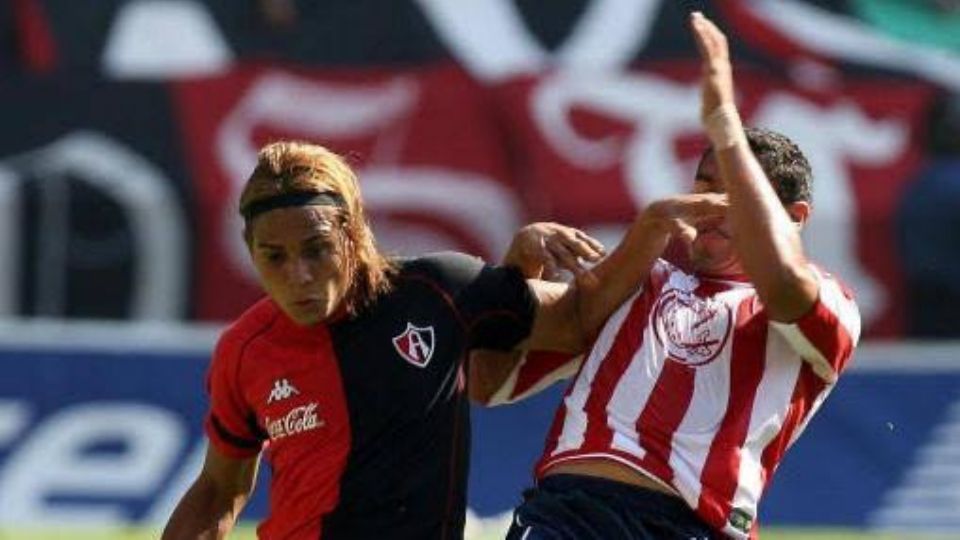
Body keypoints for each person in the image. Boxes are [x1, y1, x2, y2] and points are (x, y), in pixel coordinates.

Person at [161, 140, 726, 539]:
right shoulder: (245, 348)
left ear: (353, 234)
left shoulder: (440, 290)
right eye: (274, 257)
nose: (299, 276)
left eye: (316, 249)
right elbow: (217, 490)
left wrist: (651, 227)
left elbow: (578, 319)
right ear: (249, 250)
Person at [498, 12, 861, 540]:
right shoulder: (635, 280)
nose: (712, 204)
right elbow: (493, 380)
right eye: (705, 184)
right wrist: (519, 264)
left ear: (795, 217)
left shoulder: (829, 299)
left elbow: (784, 283)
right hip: (569, 513)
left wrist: (725, 128)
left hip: (694, 526)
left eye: (737, 193)